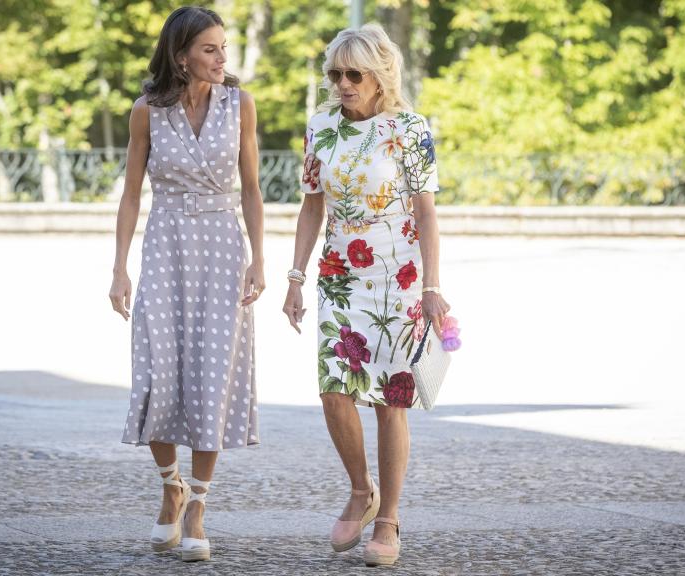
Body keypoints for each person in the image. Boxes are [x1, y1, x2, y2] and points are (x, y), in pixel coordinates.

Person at [282, 23, 450, 567]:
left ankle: (388, 519)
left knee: (389, 402)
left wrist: (431, 285)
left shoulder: (410, 128)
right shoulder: (321, 126)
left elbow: (426, 212)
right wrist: (295, 276)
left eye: (354, 74)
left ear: (380, 77)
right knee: (335, 391)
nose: (343, 83)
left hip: (397, 279)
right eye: (335, 73)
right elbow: (312, 205)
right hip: (338, 274)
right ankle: (361, 488)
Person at [109, 5, 265, 563]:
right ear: (181, 57)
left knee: (211, 374)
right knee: (158, 370)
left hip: (223, 249)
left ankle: (197, 503)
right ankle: (169, 484)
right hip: (167, 246)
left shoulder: (239, 105)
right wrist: (119, 268)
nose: (223, 59)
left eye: (224, 48)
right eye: (210, 49)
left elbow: (251, 188)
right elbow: (131, 194)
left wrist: (260, 260)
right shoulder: (147, 111)